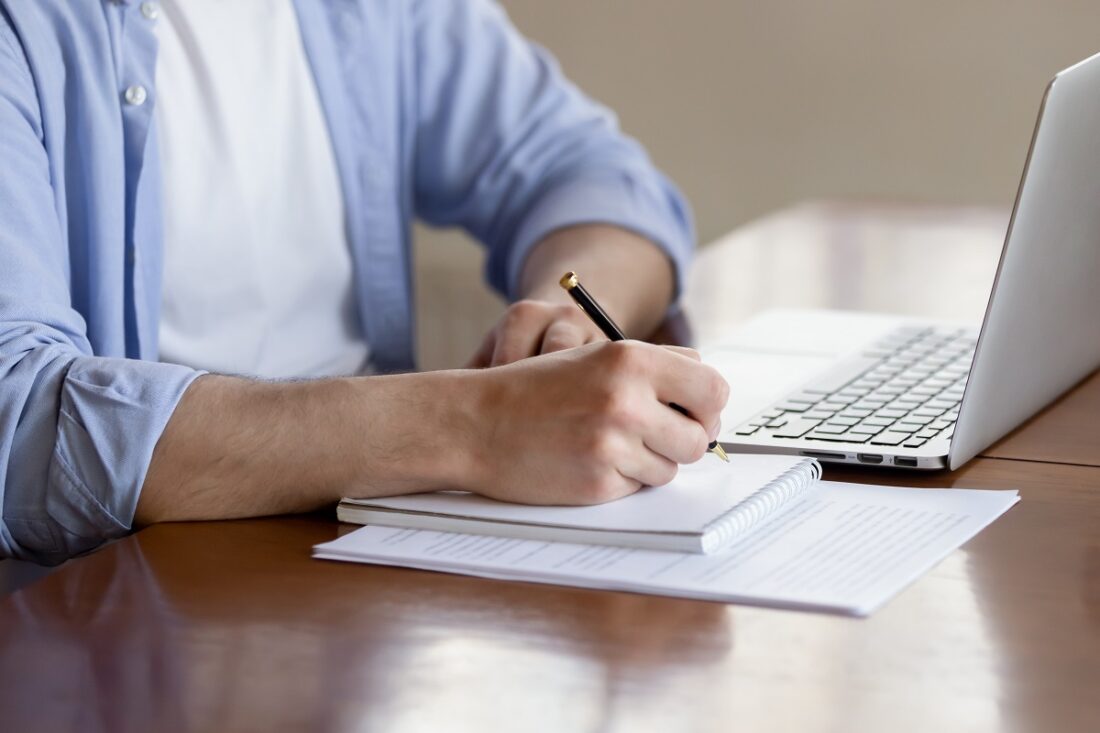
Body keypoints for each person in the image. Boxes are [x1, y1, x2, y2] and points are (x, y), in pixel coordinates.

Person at [0, 0, 729, 565]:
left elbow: (597, 179)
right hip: (135, 600)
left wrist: (559, 324)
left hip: (376, 570)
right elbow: (18, 416)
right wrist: (473, 424)